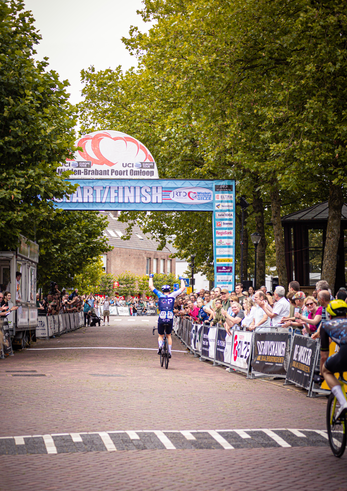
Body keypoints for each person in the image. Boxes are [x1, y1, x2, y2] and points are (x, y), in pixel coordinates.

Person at [321, 300, 347, 419]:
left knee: (327, 370)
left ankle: (343, 403)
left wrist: (321, 372)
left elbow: (324, 355)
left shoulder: (326, 325)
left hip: (344, 352)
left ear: (329, 315)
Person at [149, 275, 186, 358]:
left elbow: (151, 286)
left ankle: (160, 346)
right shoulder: (173, 295)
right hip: (170, 317)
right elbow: (183, 288)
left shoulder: (160, 295)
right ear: (169, 290)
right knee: (169, 335)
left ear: (162, 290)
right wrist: (182, 279)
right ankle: (169, 351)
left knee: (160, 335)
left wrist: (151, 277)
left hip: (162, 317)